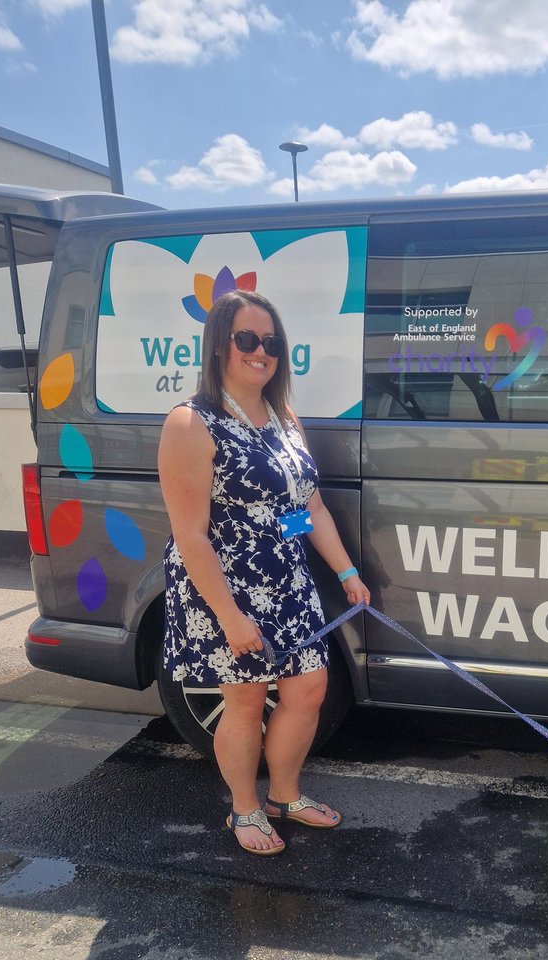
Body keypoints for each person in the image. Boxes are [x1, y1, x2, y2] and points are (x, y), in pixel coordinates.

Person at [158, 289, 370, 856]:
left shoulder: (282, 418)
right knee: (247, 700)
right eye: (247, 339)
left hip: (288, 583)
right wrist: (229, 616)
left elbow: (308, 507)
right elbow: (190, 534)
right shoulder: (190, 422)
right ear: (219, 346)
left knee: (309, 688)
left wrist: (346, 572)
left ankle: (285, 796)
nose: (261, 351)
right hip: (225, 588)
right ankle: (244, 808)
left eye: (272, 342)